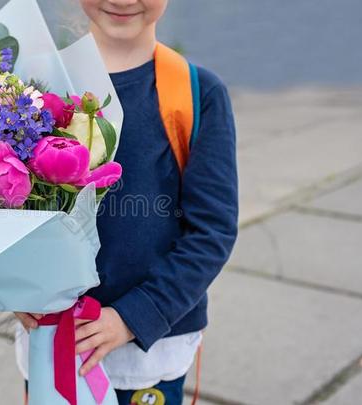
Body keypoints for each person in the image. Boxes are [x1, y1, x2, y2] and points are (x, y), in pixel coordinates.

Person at [15, 0, 238, 404]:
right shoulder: (34, 85)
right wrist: (14, 292)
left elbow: (212, 232)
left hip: (148, 351)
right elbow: (2, 210)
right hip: (51, 339)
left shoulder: (197, 93)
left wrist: (133, 317)